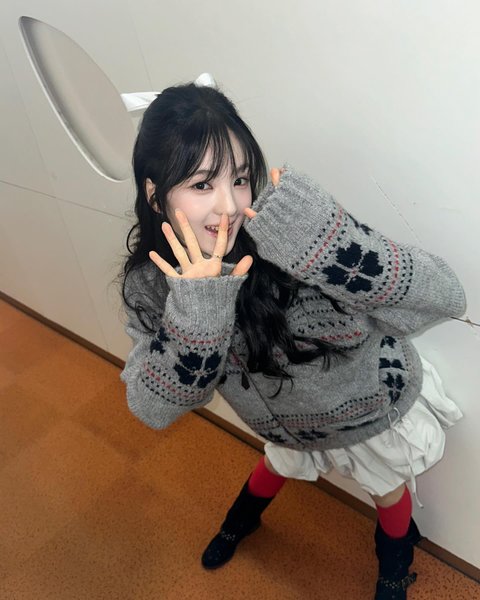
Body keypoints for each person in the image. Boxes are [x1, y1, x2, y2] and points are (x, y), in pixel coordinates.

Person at [120, 77, 466, 600]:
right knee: (275, 463)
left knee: (387, 490)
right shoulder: (151, 283)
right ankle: (240, 522)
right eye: (202, 184)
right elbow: (153, 409)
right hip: (284, 426)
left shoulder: (287, 238)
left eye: (240, 178)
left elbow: (445, 298)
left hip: (364, 412)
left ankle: (394, 564)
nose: (228, 206)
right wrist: (197, 307)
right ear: (154, 193)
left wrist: (333, 243)